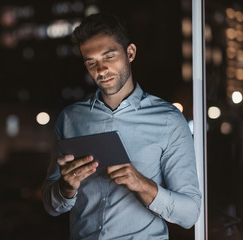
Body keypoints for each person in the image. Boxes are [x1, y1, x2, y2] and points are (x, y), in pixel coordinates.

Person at [42, 12, 201, 239]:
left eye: (109, 57)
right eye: (91, 62)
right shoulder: (70, 119)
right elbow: (51, 204)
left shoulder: (168, 120)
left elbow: (190, 214)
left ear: (130, 53)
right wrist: (66, 188)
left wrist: (142, 185)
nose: (101, 69)